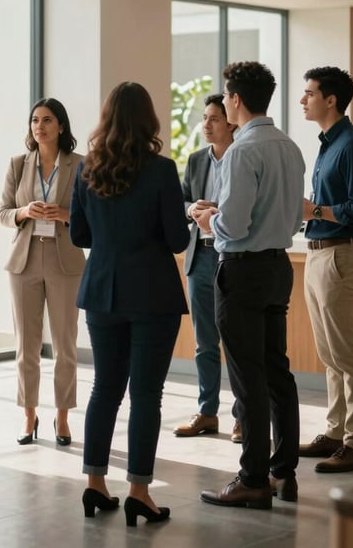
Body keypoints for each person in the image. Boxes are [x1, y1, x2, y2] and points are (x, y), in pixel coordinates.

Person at [69, 81, 189, 528]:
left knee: (105, 389)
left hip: (101, 291)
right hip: (152, 294)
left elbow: (78, 235)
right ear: (149, 120)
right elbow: (177, 239)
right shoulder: (161, 170)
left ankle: (95, 484)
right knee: (145, 395)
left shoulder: (87, 170)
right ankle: (139, 492)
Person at [197, 61, 304, 510]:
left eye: (225, 96)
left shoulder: (243, 151)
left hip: (242, 270)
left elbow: (234, 225)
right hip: (279, 266)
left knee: (248, 377)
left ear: (235, 100)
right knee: (276, 369)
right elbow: (296, 216)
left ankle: (252, 478)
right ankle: (282, 472)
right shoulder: (290, 147)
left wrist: (208, 219)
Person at [298, 66, 353, 473]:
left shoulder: (352, 145)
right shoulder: (327, 144)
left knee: (347, 354)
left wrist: (313, 209)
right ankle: (333, 432)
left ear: (331, 100)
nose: (303, 100)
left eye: (309, 93)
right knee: (330, 355)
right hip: (317, 253)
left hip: (341, 256)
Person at [0, 98, 85, 446]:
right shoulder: (18, 164)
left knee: (65, 345)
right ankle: (29, 415)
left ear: (61, 126)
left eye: (47, 120)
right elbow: (3, 212)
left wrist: (65, 214)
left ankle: (62, 417)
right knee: (26, 346)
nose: (39, 126)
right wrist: (24, 212)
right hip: (25, 261)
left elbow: (92, 216)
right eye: (35, 120)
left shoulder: (80, 165)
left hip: (66, 261)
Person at [174, 94, 239, 441]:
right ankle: (207, 412)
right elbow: (181, 198)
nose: (207, 125)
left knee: (236, 342)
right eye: (205, 118)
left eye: (215, 118)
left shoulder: (242, 156)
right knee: (205, 342)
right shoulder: (196, 159)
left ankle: (241, 415)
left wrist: (219, 211)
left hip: (230, 255)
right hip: (199, 256)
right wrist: (191, 209)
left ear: (231, 123)